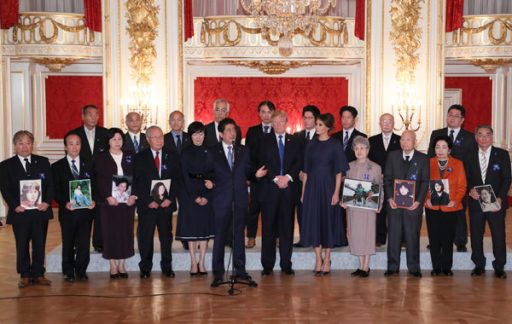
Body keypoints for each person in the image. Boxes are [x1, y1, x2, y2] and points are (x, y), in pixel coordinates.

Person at [208, 118, 266, 287]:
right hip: (220, 201)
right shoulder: (212, 152)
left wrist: (256, 174)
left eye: (233, 129)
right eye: (228, 130)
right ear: (221, 134)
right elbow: (207, 172)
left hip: (239, 200)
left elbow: (248, 170)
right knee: (219, 238)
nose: (232, 133)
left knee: (239, 236)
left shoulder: (243, 150)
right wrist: (208, 182)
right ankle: (218, 273)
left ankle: (240, 271)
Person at [0, 130, 54, 288]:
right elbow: (5, 188)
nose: (24, 147)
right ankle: (24, 274)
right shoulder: (6, 165)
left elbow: (50, 185)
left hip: (39, 211)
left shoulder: (43, 161)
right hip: (20, 212)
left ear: (33, 144)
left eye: (28, 143)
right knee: (21, 243)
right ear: (15, 145)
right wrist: (15, 205)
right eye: (20, 143)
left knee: (39, 243)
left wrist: (46, 202)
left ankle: (38, 273)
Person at [301, 113, 349, 276]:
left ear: (328, 127)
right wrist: (303, 193)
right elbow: (306, 172)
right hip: (312, 188)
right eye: (316, 124)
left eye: (320, 125)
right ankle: (318, 258)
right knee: (314, 221)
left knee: (327, 222)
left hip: (329, 187)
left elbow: (339, 172)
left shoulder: (335, 145)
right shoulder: (310, 144)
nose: (317, 127)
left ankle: (327, 258)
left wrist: (336, 193)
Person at [256, 111, 302, 276]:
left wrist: (288, 177)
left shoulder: (295, 140)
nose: (278, 125)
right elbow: (261, 162)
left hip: (288, 191)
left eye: (281, 121)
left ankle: (286, 264)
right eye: (274, 122)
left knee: (286, 230)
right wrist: (276, 178)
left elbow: (299, 162)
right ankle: (267, 265)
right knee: (268, 229)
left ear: (286, 122)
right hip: (270, 190)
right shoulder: (263, 140)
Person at [427, 104, 477, 252]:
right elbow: (431, 155)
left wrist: (469, 184)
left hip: (459, 182)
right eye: (450, 114)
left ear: (462, 120)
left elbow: (471, 162)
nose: (452, 118)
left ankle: (460, 241)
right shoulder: (436, 133)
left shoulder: (469, 137)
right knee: (438, 212)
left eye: (456, 116)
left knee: (459, 212)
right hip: (437, 181)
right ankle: (436, 240)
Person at [133, 126, 180, 279]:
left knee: (166, 237)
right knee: (145, 237)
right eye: (155, 137)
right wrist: (148, 201)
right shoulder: (140, 157)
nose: (159, 140)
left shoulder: (172, 156)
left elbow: (177, 181)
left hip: (166, 205)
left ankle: (167, 267)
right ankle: (145, 268)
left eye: (161, 137)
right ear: (147, 140)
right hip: (148, 206)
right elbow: (137, 183)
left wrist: (170, 198)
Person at [465, 125, 511, 278]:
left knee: (498, 234)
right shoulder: (469, 155)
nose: (484, 138)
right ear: (476, 137)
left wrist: (500, 197)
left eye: (487, 135)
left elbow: (507, 178)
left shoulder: (502, 154)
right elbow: (467, 178)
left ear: (492, 137)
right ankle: (479, 264)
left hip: (496, 201)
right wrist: (470, 189)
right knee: (476, 234)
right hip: (476, 201)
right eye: (480, 135)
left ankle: (499, 266)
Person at [384, 130, 429, 278]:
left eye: (408, 139)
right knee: (394, 236)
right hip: (394, 205)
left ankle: (414, 267)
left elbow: (424, 182)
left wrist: (418, 202)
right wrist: (390, 198)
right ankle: (392, 266)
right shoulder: (392, 156)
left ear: (414, 141)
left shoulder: (423, 158)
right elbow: (387, 180)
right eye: (402, 139)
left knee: (412, 237)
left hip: (413, 206)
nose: (405, 142)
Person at [93, 128, 137, 279]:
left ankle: (122, 264)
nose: (117, 142)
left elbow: (137, 177)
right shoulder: (101, 157)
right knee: (110, 232)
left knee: (125, 231)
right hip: (109, 203)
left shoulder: (130, 156)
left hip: (127, 202)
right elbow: (98, 180)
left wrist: (134, 195)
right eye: (114, 139)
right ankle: (112, 264)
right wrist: (107, 196)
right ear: (108, 141)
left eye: (119, 139)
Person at [52, 132, 95, 282]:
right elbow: (55, 191)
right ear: (65, 146)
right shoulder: (57, 167)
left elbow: (95, 186)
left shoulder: (89, 163)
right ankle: (68, 271)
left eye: (77, 143)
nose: (74, 147)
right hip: (68, 212)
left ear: (81, 146)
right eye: (71, 143)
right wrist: (65, 202)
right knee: (68, 242)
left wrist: (93, 200)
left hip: (86, 212)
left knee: (84, 243)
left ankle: (81, 270)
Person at [175, 122, 215, 276]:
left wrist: (207, 193)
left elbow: (214, 173)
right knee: (192, 230)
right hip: (189, 194)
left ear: (205, 135)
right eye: (195, 134)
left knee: (204, 230)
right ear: (190, 136)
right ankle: (193, 261)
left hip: (207, 192)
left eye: (201, 134)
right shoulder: (185, 152)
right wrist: (195, 196)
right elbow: (184, 176)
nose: (198, 137)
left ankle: (202, 262)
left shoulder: (210, 152)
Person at [424, 135, 467, 276]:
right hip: (432, 207)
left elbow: (462, 186)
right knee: (434, 238)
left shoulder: (458, 164)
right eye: (437, 147)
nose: (440, 150)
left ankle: (447, 267)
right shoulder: (428, 163)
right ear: (434, 149)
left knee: (448, 238)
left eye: (444, 147)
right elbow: (422, 184)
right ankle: (436, 267)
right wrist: (426, 199)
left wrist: (455, 200)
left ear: (449, 150)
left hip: (451, 206)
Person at [70, 104, 109, 253]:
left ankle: (99, 242)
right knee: (81, 214)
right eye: (90, 114)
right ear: (83, 116)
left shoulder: (106, 133)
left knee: (100, 212)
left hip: (101, 180)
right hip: (81, 181)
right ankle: (79, 244)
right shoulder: (74, 134)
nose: (94, 117)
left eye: (96, 114)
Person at [341, 136, 382, 277]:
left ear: (368, 150)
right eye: (356, 148)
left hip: (368, 208)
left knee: (367, 235)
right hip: (353, 208)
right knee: (355, 235)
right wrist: (344, 200)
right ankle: (360, 265)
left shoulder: (375, 167)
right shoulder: (349, 166)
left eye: (362, 148)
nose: (359, 151)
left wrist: (379, 204)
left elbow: (379, 188)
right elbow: (346, 187)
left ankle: (366, 266)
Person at [245, 100, 276, 249]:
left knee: (273, 210)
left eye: (269, 112)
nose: (266, 115)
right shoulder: (252, 131)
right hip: (257, 177)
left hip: (273, 178)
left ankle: (274, 237)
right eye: (263, 112)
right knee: (253, 209)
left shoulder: (278, 130)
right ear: (259, 114)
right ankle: (251, 236)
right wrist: (252, 175)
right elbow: (248, 156)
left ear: (273, 113)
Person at [368, 113, 401, 246]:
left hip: (395, 182)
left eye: (389, 121)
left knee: (395, 211)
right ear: (380, 124)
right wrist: (377, 174)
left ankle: (397, 239)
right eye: (384, 121)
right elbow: (368, 161)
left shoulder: (400, 140)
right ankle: (379, 238)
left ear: (393, 124)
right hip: (376, 181)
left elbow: (402, 161)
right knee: (378, 210)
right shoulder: (372, 140)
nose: (386, 124)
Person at [293, 105, 320, 247]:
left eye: (310, 118)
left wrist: (310, 173)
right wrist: (299, 172)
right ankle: (303, 238)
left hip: (316, 179)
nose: (307, 120)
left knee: (316, 209)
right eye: (305, 117)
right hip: (299, 178)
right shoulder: (296, 136)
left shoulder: (322, 136)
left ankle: (316, 238)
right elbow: (294, 157)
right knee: (301, 208)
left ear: (316, 120)